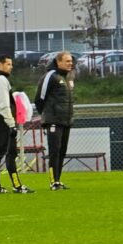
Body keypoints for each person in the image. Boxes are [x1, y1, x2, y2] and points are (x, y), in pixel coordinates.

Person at [0, 55, 34, 194]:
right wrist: (11, 124)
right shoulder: (1, 80)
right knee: (10, 154)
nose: (11, 66)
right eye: (8, 64)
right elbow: (3, 105)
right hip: (4, 122)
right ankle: (17, 186)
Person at [34, 51, 75, 191]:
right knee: (54, 151)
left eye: (71, 61)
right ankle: (53, 182)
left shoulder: (68, 77)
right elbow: (39, 98)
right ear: (58, 62)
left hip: (66, 120)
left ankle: (58, 180)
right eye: (67, 61)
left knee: (62, 151)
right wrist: (47, 115)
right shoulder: (50, 76)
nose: (71, 63)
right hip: (53, 120)